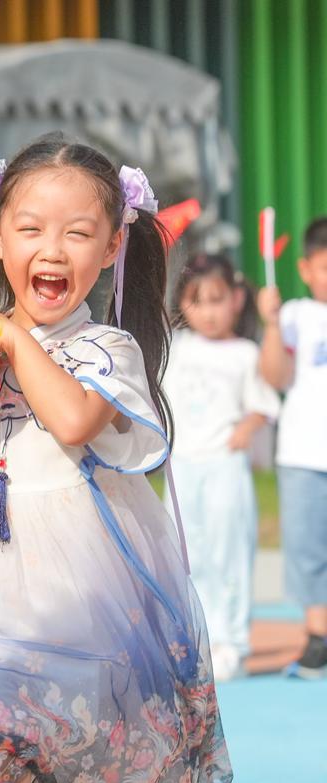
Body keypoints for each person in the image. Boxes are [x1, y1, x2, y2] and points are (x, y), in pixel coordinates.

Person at [0, 136, 232, 783]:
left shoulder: (104, 347)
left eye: (78, 233)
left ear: (111, 247)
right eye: (29, 229)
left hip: (83, 612)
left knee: (82, 779)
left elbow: (74, 421)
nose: (52, 250)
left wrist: (13, 340)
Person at [164, 254, 280, 682]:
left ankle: (231, 641)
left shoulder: (245, 353)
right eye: (197, 301)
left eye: (216, 300)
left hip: (225, 467)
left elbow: (263, 405)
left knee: (229, 553)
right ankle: (195, 641)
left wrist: (247, 428)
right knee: (186, 555)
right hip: (182, 469)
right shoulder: (175, 349)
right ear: (182, 303)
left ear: (235, 300)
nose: (208, 312)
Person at [257, 217, 327, 680]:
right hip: (304, 452)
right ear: (305, 268)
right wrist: (271, 323)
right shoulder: (298, 315)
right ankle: (318, 638)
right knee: (307, 549)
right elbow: (276, 378)